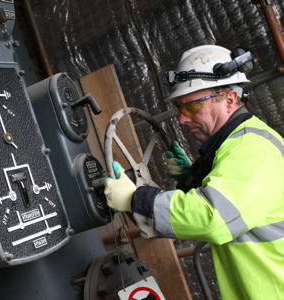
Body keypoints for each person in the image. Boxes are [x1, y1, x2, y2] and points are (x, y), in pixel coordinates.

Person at [104, 45, 284, 300]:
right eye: (179, 109)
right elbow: (235, 204)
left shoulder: (253, 149)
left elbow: (213, 217)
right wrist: (192, 179)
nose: (182, 119)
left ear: (230, 98)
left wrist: (135, 199)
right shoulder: (237, 144)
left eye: (191, 108)